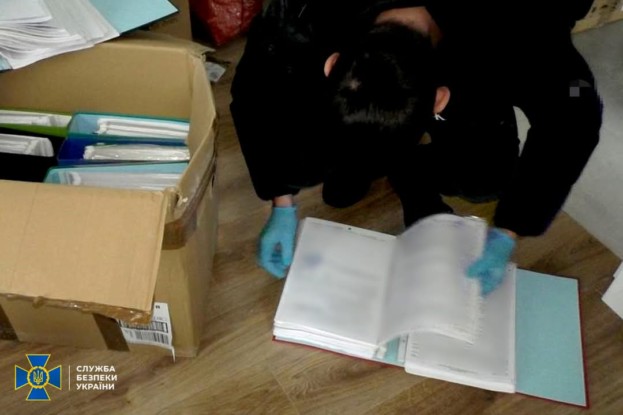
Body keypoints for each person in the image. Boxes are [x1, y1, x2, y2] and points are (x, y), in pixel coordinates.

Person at [230, 0, 602, 294]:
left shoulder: (524, 31)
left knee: (486, 178)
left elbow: (575, 116)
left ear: (440, 100)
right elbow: (254, 91)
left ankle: (409, 174)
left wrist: (511, 228)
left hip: (482, 46)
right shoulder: (306, 15)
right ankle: (355, 165)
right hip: (348, 32)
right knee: (302, 160)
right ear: (332, 63)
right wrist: (281, 199)